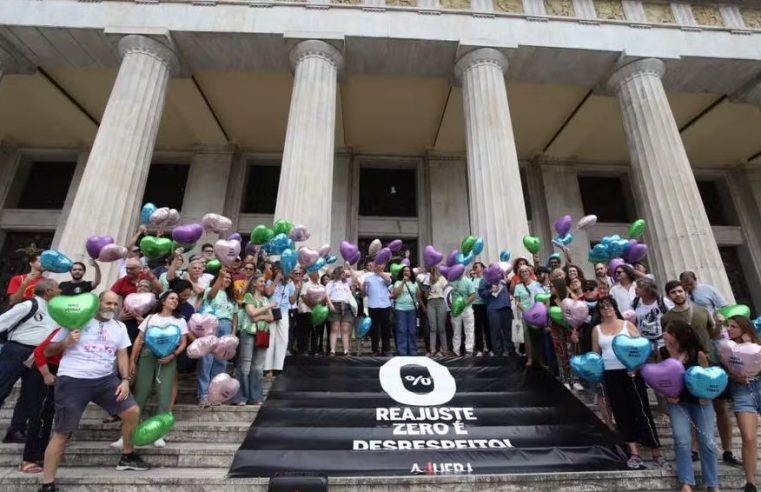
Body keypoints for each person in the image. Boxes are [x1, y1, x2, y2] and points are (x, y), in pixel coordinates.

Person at [39, 292, 149, 492]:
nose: (112, 307)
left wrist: (125, 380)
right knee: (62, 433)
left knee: (132, 411)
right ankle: (47, 484)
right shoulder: (77, 320)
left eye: (116, 304)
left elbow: (122, 354)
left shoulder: (119, 327)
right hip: (73, 379)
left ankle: (127, 456)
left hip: (105, 380)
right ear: (98, 303)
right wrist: (66, 343)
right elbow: (46, 351)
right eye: (108, 303)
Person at [662, 279, 740, 467]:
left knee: (720, 408)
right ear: (669, 296)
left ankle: (728, 450)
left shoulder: (702, 311)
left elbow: (713, 334)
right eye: (673, 293)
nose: (677, 295)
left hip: (711, 362)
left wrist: (720, 325)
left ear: (685, 292)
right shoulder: (667, 318)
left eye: (680, 291)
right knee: (694, 407)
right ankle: (695, 448)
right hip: (686, 365)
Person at [591, 295, 667, 471]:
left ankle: (656, 452)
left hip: (631, 372)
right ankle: (634, 453)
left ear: (615, 307)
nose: (607, 310)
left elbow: (642, 347)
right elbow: (596, 354)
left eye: (609, 306)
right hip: (610, 374)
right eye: (603, 307)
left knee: (642, 410)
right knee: (621, 412)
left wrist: (636, 366)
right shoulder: (597, 329)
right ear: (599, 311)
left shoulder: (627, 325)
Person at [122, 291, 188, 448]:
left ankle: (160, 433)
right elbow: (139, 339)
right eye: (172, 298)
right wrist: (132, 361)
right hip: (147, 356)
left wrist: (173, 355)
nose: (175, 301)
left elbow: (183, 342)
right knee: (140, 393)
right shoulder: (151, 318)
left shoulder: (180, 321)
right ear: (163, 301)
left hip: (168, 359)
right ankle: (128, 434)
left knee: (164, 395)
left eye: (177, 299)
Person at [658, 319, 716, 492]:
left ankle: (712, 483)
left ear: (677, 334)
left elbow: (708, 377)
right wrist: (667, 395)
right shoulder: (663, 352)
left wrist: (707, 395)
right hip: (678, 403)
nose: (664, 334)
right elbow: (662, 379)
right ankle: (686, 482)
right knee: (682, 440)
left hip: (700, 402)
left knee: (707, 442)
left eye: (667, 331)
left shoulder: (697, 353)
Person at [0, 278, 60, 443]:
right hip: (17, 350)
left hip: (37, 355)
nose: (60, 291)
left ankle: (16, 429)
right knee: (2, 387)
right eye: (57, 288)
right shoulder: (28, 305)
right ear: (48, 291)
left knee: (30, 394)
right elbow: (2, 322)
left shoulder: (54, 310)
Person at [18, 325, 61, 473]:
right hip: (44, 370)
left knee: (48, 414)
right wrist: (46, 375)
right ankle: (28, 459)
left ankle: (42, 455)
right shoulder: (64, 330)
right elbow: (39, 352)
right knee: (40, 414)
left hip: (60, 371)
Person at [724, 315, 761, 492]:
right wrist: (733, 377)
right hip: (742, 391)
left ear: (744, 328)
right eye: (728, 326)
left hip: (759, 385)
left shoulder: (758, 346)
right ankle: (750, 482)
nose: (729, 329)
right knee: (748, 436)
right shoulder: (725, 348)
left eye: (733, 326)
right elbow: (722, 372)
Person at [198, 269, 237, 406]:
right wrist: (220, 276)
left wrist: (233, 333)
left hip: (226, 327)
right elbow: (210, 296)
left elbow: (234, 317)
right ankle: (203, 395)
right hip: (212, 325)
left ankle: (215, 395)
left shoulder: (231, 297)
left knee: (221, 362)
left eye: (229, 278)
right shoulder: (211, 290)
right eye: (225, 277)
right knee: (206, 361)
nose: (227, 280)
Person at [234, 274, 273, 406]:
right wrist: (267, 308)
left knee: (257, 367)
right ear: (254, 283)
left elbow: (271, 318)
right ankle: (241, 397)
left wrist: (260, 316)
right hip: (249, 333)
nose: (264, 283)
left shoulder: (265, 299)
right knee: (245, 366)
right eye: (261, 281)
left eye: (265, 281)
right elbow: (251, 313)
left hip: (263, 333)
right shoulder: (248, 296)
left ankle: (255, 397)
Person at [547, 278, 580, 390]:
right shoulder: (550, 299)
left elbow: (578, 311)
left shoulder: (570, 297)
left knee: (572, 353)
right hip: (556, 329)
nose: (550, 288)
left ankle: (575, 379)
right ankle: (564, 379)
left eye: (552, 286)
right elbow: (547, 314)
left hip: (569, 328)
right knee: (561, 354)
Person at [264, 264, 296, 376]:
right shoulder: (269, 281)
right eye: (276, 269)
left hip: (284, 312)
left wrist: (297, 287)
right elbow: (268, 293)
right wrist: (277, 280)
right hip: (271, 311)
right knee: (271, 339)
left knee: (283, 339)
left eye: (280, 269)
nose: (278, 271)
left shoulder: (289, 283)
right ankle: (267, 367)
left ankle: (278, 367)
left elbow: (292, 301)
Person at [514, 265, 544, 367]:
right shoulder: (518, 286)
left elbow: (541, 298)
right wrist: (526, 311)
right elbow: (517, 302)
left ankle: (540, 358)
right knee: (527, 337)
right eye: (522, 272)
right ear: (520, 274)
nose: (525, 273)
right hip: (525, 314)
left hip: (537, 314)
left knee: (538, 337)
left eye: (526, 271)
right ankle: (530, 358)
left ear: (530, 272)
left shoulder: (537, 284)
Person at [632, 277, 673, 352]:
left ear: (647, 290)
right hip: (644, 344)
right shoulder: (635, 302)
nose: (635, 289)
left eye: (639, 287)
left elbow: (673, 316)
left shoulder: (662, 301)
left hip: (662, 343)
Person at [363, 261, 393, 356]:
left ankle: (386, 350)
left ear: (383, 266)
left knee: (385, 329)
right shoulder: (368, 278)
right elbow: (364, 293)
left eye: (379, 264)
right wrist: (363, 286)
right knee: (374, 329)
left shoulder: (386, 275)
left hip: (385, 305)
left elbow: (389, 281)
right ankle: (375, 350)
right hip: (373, 306)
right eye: (375, 265)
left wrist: (380, 272)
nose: (376, 266)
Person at [325, 266, 356, 356]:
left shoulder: (346, 282)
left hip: (346, 305)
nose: (344, 274)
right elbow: (327, 294)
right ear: (338, 273)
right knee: (334, 328)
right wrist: (330, 304)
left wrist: (349, 267)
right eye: (342, 272)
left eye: (344, 273)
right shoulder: (331, 283)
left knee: (345, 329)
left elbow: (354, 277)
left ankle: (346, 350)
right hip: (335, 304)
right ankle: (332, 350)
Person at [391, 266, 420, 357]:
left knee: (412, 330)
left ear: (411, 273)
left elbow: (418, 296)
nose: (406, 272)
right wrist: (403, 282)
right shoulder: (398, 282)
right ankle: (402, 352)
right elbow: (395, 295)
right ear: (402, 273)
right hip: (400, 309)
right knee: (402, 330)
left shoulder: (414, 283)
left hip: (411, 309)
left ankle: (412, 351)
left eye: (408, 271)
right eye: (404, 271)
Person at [449, 273, 476, 357]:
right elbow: (447, 294)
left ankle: (469, 350)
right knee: (456, 331)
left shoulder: (468, 282)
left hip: (467, 309)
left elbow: (473, 295)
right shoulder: (451, 281)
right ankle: (456, 350)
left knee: (469, 330)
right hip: (455, 310)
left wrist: (463, 303)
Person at [425, 266, 448, 357]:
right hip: (430, 302)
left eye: (434, 267)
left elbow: (446, 288)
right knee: (433, 327)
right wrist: (427, 288)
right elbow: (426, 294)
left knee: (441, 328)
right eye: (431, 267)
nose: (433, 269)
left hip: (440, 301)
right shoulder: (427, 278)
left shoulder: (442, 278)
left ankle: (445, 350)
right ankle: (433, 350)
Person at [470, 263, 490, 357]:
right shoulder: (471, 279)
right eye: (473, 267)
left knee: (487, 327)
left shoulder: (486, 279)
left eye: (476, 266)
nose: (474, 268)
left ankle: (490, 348)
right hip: (475, 306)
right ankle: (479, 349)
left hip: (485, 305)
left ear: (482, 268)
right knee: (477, 328)